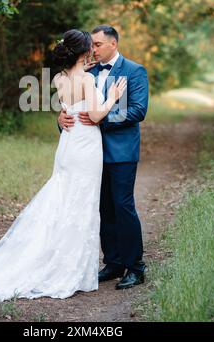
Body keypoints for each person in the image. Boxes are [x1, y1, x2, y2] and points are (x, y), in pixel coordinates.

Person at [0, 29, 126, 303]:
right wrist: (113, 95)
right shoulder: (86, 78)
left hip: (68, 145)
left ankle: (52, 258)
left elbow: (69, 109)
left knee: (63, 200)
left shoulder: (62, 79)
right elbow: (96, 115)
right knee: (81, 204)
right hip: (86, 147)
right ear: (85, 52)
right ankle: (70, 270)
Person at [58, 25, 149, 290]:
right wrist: (61, 119)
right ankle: (113, 262)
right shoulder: (86, 72)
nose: (92, 50)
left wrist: (102, 120)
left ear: (113, 44)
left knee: (122, 206)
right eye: (91, 45)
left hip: (121, 152)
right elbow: (73, 107)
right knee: (103, 208)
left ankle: (135, 267)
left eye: (97, 45)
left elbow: (138, 111)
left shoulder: (134, 71)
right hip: (89, 153)